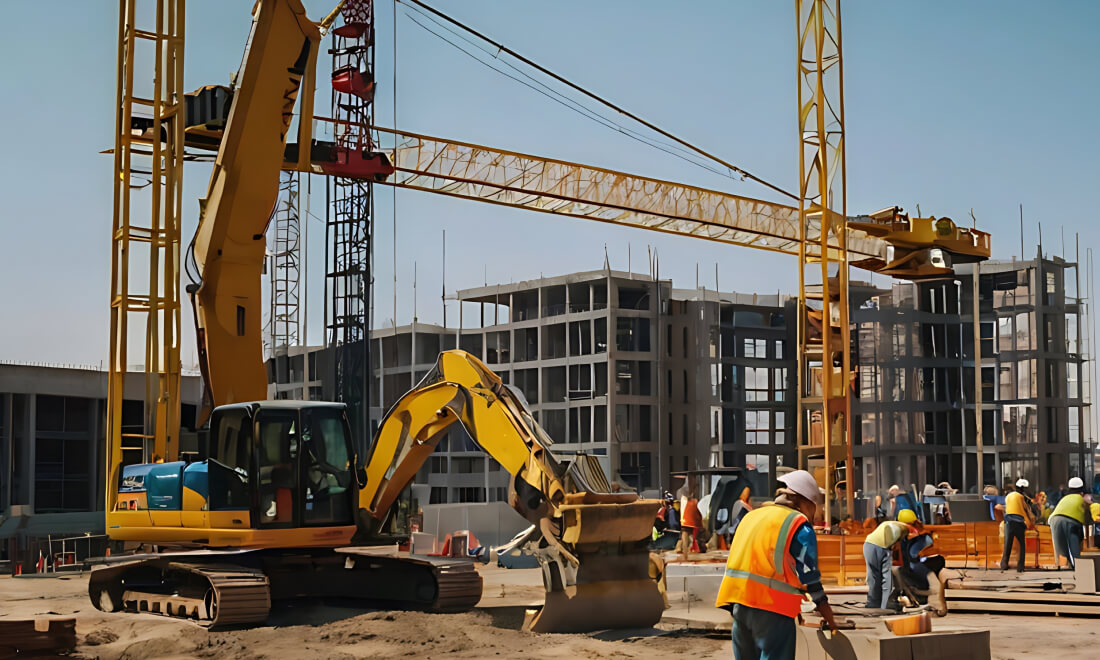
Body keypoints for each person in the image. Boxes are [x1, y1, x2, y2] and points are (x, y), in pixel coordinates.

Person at [716, 470, 839, 660]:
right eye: (816, 506)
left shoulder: (752, 516)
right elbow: (809, 573)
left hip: (738, 603)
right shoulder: (798, 523)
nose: (816, 512)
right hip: (772, 609)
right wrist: (826, 611)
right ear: (805, 502)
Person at [863, 509, 920, 610]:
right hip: (882, 548)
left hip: (869, 545)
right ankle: (885, 605)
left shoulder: (891, 524)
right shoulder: (903, 529)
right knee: (886, 579)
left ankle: (873, 603)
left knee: (874, 577)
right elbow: (897, 547)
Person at [1050, 477, 1092, 570]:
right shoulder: (1082, 499)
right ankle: (1077, 566)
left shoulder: (1065, 498)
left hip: (1054, 520)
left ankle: (1064, 564)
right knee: (1074, 543)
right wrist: (1087, 541)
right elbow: (1087, 520)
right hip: (1071, 522)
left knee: (1061, 546)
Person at [999, 478, 1033, 572]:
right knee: (1022, 545)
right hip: (1018, 522)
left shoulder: (1008, 496)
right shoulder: (1021, 497)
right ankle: (1020, 567)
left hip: (1008, 522)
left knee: (1007, 544)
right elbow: (1026, 510)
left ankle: (1004, 564)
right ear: (1022, 488)